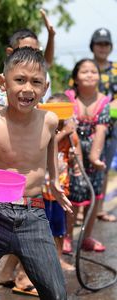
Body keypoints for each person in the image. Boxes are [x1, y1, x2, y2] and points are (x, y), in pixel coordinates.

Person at [0, 47, 72, 300]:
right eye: (19, 80)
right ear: (3, 82)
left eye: (36, 82)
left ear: (46, 86)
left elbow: (50, 149)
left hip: (33, 213)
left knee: (57, 292)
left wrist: (54, 183)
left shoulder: (50, 120)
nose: (28, 89)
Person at [65, 58, 110, 252]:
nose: (90, 74)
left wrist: (94, 158)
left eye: (94, 71)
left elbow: (101, 130)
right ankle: (66, 236)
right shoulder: (69, 98)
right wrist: (78, 159)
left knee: (94, 196)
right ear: (75, 77)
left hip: (95, 153)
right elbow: (68, 127)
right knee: (73, 196)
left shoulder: (104, 101)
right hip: (72, 152)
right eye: (84, 71)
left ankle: (87, 237)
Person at [0, 8, 55, 114]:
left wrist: (51, 36)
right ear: (10, 52)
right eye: (24, 51)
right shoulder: (8, 79)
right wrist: (22, 110)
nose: (30, 56)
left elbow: (47, 62)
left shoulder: (39, 71)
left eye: (36, 52)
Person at [42, 93, 82, 272]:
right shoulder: (44, 130)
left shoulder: (71, 136)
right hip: (42, 189)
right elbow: (46, 146)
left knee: (59, 228)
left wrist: (75, 161)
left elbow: (77, 154)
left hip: (61, 189)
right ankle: (39, 263)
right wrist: (64, 132)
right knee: (42, 229)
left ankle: (58, 259)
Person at [89, 28, 117, 222]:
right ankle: (82, 210)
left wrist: (107, 113)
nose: (102, 47)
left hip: (110, 128)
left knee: (103, 167)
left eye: (105, 44)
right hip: (86, 127)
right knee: (82, 167)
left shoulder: (116, 70)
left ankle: (98, 209)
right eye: (99, 43)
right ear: (92, 46)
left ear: (111, 47)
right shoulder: (85, 67)